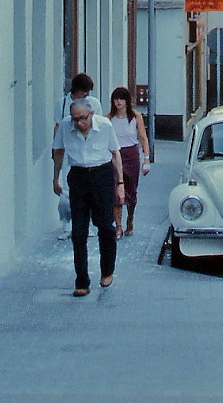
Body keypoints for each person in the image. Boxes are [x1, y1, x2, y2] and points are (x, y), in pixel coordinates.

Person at [52, 98, 124, 297]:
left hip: (102, 174)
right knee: (79, 231)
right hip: (78, 176)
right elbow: (58, 152)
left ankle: (107, 270)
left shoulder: (105, 126)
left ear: (91, 115)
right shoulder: (66, 126)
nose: (79, 123)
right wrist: (55, 177)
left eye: (82, 118)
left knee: (105, 226)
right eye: (75, 119)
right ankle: (82, 280)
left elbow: (116, 153)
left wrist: (120, 185)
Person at [53, 74, 103, 237]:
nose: (87, 95)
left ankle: (86, 225)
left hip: (89, 151)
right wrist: (56, 149)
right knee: (66, 189)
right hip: (69, 151)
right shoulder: (62, 104)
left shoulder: (93, 103)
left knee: (88, 188)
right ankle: (68, 225)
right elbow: (58, 127)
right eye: (85, 92)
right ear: (78, 91)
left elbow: (99, 126)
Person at [107, 87, 150, 238]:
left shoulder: (135, 117)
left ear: (127, 101)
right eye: (116, 99)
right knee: (116, 191)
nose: (118, 102)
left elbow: (143, 138)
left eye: (121, 99)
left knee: (131, 190)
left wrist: (146, 159)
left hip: (131, 155)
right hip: (114, 155)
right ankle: (118, 226)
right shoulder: (109, 118)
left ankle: (129, 220)